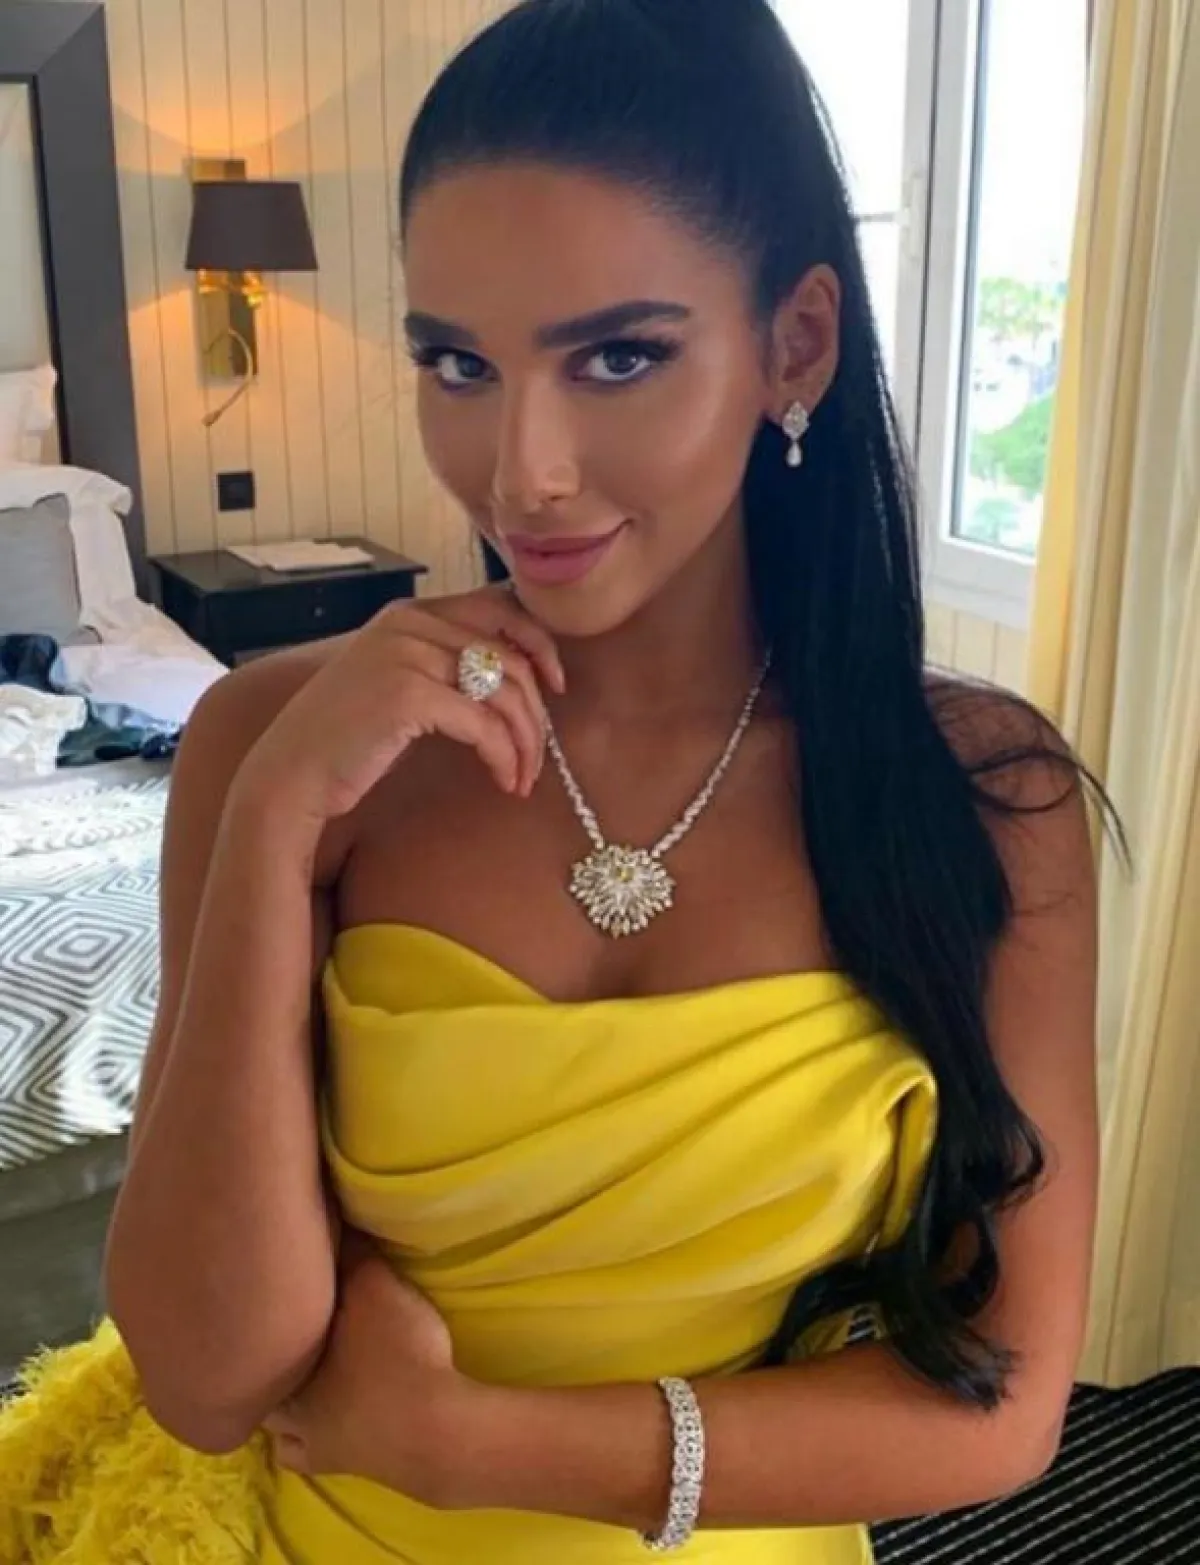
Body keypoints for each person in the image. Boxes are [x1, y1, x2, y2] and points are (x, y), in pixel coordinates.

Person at [0, 1, 1120, 1561]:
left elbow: (1001, 1405)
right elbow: (203, 1380)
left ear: (793, 343)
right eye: (456, 362)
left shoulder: (983, 797)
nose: (521, 471)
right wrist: (269, 829)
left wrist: (472, 1447)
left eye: (618, 357)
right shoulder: (275, 740)